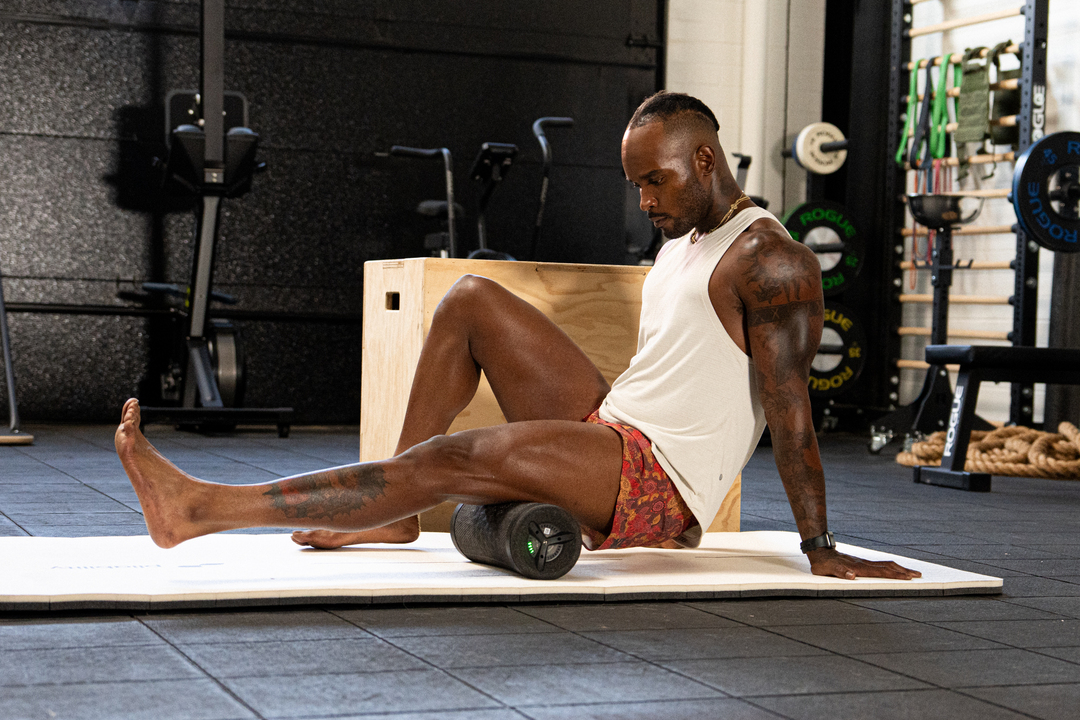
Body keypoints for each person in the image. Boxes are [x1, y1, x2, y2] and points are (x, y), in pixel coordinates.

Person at [116, 91, 918, 581]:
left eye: (656, 181)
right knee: (470, 297)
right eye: (635, 184)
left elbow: (792, 415)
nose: (644, 202)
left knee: (453, 462)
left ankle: (202, 509)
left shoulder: (775, 264)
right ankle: (394, 514)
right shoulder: (682, 241)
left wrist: (820, 545)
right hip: (616, 429)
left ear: (703, 158)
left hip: (655, 482)